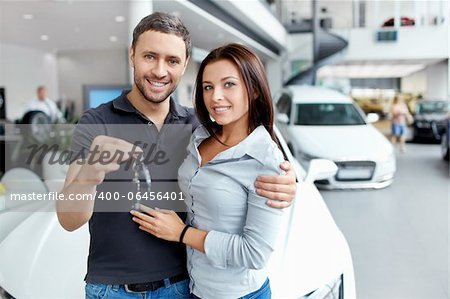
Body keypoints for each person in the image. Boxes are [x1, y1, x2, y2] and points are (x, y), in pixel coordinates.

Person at [56, 12, 296, 299]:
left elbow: (248, 153)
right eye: (149, 56)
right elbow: (69, 220)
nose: (160, 70)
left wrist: (287, 180)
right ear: (132, 55)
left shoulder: (197, 127)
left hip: (185, 287)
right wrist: (89, 175)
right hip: (113, 290)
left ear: (184, 67)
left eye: (172, 61)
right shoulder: (97, 123)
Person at [130, 43, 286, 299]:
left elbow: (254, 254)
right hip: (195, 288)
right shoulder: (199, 137)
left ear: (255, 89)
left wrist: (181, 233)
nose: (215, 97)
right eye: (208, 87)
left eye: (229, 84)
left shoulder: (266, 161)